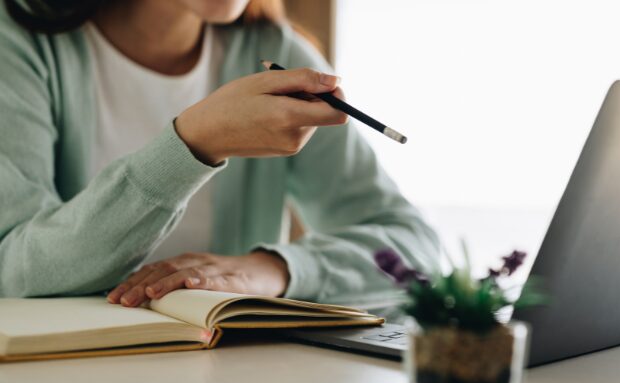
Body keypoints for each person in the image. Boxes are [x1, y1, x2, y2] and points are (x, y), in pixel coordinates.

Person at [0, 0, 439, 307]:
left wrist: (275, 270)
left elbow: (414, 249)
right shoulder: (19, 41)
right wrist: (193, 143)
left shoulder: (274, 54)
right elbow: (14, 269)